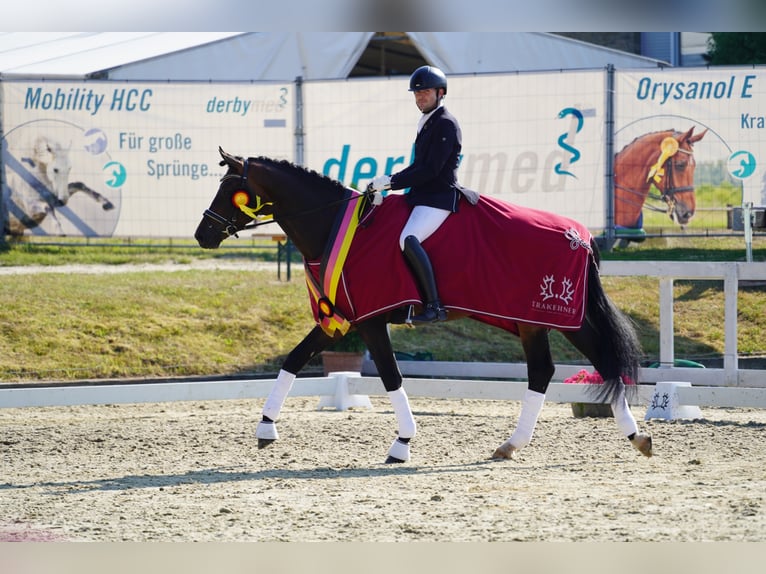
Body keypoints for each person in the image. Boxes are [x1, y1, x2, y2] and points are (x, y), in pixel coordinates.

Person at [368, 65, 477, 323]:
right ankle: (402, 299)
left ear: (440, 93)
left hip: (438, 197)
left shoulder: (446, 124)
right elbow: (417, 166)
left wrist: (391, 182)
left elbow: (430, 170)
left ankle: (434, 306)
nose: (419, 98)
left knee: (408, 238)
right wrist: (388, 183)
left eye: (425, 92)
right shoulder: (427, 123)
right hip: (421, 196)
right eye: (416, 94)